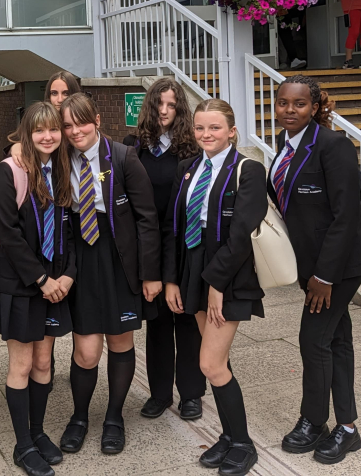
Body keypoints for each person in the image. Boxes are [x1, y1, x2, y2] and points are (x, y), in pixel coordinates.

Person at [271, 75, 361, 466]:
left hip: (339, 267)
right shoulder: (286, 147)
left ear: (314, 107)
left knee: (313, 339)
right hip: (313, 265)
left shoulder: (334, 147)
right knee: (336, 340)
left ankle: (314, 422)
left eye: (299, 104)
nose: (289, 111)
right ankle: (347, 427)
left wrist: (325, 277)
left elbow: (346, 216)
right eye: (283, 103)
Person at [162, 99, 267, 476]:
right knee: (217, 362)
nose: (207, 135)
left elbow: (240, 235)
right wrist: (173, 278)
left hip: (228, 272)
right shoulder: (188, 169)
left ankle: (242, 443)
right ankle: (228, 435)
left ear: (232, 131)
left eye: (215, 128)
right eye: (201, 128)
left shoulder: (249, 170)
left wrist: (216, 285)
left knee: (209, 362)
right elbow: (174, 226)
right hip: (193, 264)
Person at [57, 94, 161, 457]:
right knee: (86, 351)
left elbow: (147, 218)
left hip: (119, 258)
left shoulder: (122, 157)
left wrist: (150, 274)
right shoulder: (59, 158)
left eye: (80, 123)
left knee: (120, 341)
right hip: (81, 258)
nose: (74, 131)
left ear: (97, 120)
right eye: (67, 125)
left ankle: (114, 418)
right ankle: (80, 416)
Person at [0, 103, 76, 476]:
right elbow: (9, 233)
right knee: (22, 365)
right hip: (23, 283)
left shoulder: (63, 170)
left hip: (56, 282)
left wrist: (67, 275)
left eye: (53, 129)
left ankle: (37, 433)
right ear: (27, 132)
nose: (47, 136)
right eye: (39, 130)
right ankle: (23, 445)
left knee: (43, 362)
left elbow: (72, 228)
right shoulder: (9, 172)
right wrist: (42, 280)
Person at [121, 78, 206, 423]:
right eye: (160, 105)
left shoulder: (191, 150)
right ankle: (159, 394)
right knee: (156, 325)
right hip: (149, 247)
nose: (165, 111)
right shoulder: (134, 147)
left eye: (172, 105)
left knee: (186, 322)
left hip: (184, 246)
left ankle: (191, 394)